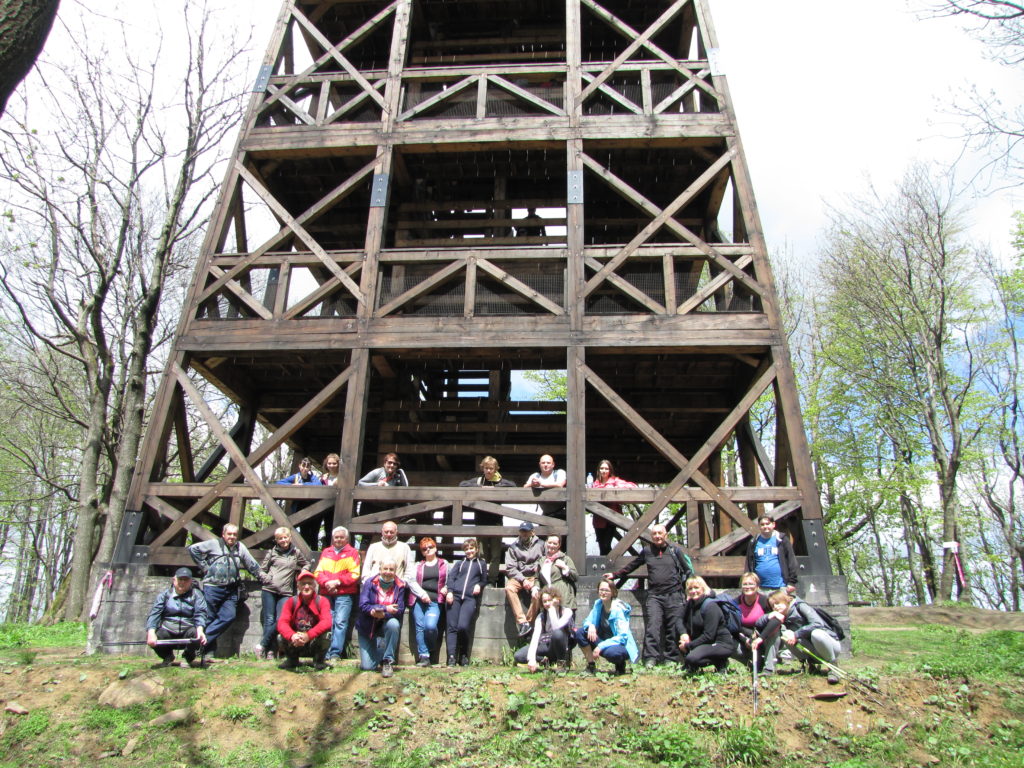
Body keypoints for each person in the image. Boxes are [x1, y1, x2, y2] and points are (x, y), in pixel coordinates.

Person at [605, 523, 693, 667]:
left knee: (673, 628)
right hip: (655, 596)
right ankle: (650, 658)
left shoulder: (675, 551)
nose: (657, 536)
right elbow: (633, 565)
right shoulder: (647, 551)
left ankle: (671, 659)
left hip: (674, 594)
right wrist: (615, 575)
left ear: (666, 535)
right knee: (653, 627)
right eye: (654, 534)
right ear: (651, 536)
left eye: (660, 533)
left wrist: (689, 591)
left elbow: (688, 570)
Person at [188, 523, 266, 656]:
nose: (232, 537)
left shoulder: (240, 547)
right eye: (229, 534)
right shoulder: (214, 544)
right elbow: (193, 549)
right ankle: (208, 652)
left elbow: (251, 564)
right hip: (212, 587)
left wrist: (264, 578)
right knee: (209, 618)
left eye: (234, 534)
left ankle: (199, 643)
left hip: (231, 589)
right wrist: (205, 567)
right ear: (223, 534)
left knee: (228, 616)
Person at [754, 590, 842, 685]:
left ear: (786, 600)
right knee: (786, 634)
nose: (775, 607)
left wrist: (796, 634)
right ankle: (809, 665)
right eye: (772, 605)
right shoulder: (779, 614)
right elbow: (758, 622)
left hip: (830, 647)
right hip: (812, 651)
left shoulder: (800, 606)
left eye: (778, 603)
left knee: (816, 634)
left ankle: (833, 668)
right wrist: (769, 615)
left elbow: (818, 623)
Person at [459, 456, 515, 583]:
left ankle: (492, 580)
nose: (488, 471)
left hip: (496, 522)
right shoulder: (479, 481)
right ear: (482, 469)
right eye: (486, 468)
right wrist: (480, 488)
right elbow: (462, 484)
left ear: (496, 469)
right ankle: (482, 579)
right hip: (480, 522)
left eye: (491, 468)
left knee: (496, 554)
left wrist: (495, 488)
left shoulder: (501, 481)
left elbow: (513, 485)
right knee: (482, 554)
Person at [258, 527, 311, 660]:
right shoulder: (272, 552)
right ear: (276, 540)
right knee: (269, 620)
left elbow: (306, 564)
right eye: (280, 538)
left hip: (286, 592)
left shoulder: (296, 552)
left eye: (285, 537)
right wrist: (266, 578)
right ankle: (270, 651)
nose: (283, 540)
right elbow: (262, 570)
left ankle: (262, 645)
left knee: (280, 620)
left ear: (290, 538)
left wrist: (303, 572)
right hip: (269, 590)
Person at [314, 526, 361, 664]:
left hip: (344, 594)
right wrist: (327, 583)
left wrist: (337, 582)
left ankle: (335, 653)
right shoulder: (326, 552)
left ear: (347, 539)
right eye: (336, 537)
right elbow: (318, 572)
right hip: (326, 593)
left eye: (342, 537)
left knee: (340, 622)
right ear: (332, 538)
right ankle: (325, 652)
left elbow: (354, 574)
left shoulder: (353, 552)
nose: (339, 539)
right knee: (327, 622)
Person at [145, 567, 209, 667]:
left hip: (188, 630)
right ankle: (167, 656)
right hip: (168, 630)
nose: (182, 582)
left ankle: (188, 657)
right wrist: (151, 632)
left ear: (190, 581)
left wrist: (200, 630)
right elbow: (154, 614)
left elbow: (200, 613)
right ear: (174, 580)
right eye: (180, 579)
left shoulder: (197, 595)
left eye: (186, 580)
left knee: (197, 635)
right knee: (155, 635)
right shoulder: (164, 596)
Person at [574, 578, 639, 675]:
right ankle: (591, 666)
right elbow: (587, 621)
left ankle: (620, 665)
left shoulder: (618, 610)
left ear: (613, 593)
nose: (603, 593)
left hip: (619, 645)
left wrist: (600, 646)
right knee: (580, 633)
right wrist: (590, 625)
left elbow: (622, 637)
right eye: (601, 590)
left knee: (612, 654)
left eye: (606, 590)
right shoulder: (598, 604)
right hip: (603, 640)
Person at [356, 557, 407, 678]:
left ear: (395, 571)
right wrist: (384, 608)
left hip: (386, 624)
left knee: (394, 623)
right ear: (380, 569)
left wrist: (383, 614)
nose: (388, 572)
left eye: (391, 569)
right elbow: (363, 605)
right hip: (367, 626)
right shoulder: (369, 583)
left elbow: (399, 610)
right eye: (385, 569)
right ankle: (377, 654)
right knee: (368, 667)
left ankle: (387, 661)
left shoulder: (400, 586)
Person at [677, 576, 736, 674]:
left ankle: (721, 661)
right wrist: (683, 634)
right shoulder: (690, 604)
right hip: (705, 642)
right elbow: (679, 619)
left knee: (692, 658)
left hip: (720, 643)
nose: (693, 591)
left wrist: (688, 646)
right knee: (678, 635)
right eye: (690, 588)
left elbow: (709, 636)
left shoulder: (710, 606)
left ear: (703, 588)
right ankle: (691, 664)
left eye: (696, 587)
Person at [444, 537, 488, 667]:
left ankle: (463, 654)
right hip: (455, 597)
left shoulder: (481, 563)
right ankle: (451, 656)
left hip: (469, 598)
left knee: (463, 627)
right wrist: (450, 591)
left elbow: (484, 580)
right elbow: (451, 577)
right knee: (452, 627)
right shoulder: (460, 563)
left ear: (476, 549)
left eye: (471, 548)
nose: (469, 551)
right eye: (466, 549)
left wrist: (479, 585)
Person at [276, 570, 332, 671]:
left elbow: (327, 622)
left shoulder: (322, 601)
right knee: (280, 637)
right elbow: (282, 623)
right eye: (303, 584)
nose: (306, 587)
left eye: (309, 583)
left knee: (327, 635)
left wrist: (308, 635)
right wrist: (292, 636)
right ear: (298, 586)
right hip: (296, 641)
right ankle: (292, 660)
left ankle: (319, 661)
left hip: (313, 641)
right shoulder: (291, 602)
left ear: (315, 586)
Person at [408, 537, 448, 666]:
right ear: (422, 552)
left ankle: (431, 648)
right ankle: (424, 656)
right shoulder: (418, 565)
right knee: (419, 627)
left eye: (430, 547)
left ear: (435, 548)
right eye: (424, 549)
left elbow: (450, 580)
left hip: (435, 601)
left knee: (430, 627)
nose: (428, 550)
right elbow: (411, 581)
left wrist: (447, 588)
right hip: (419, 600)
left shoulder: (444, 563)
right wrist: (422, 594)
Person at [516, 586, 574, 672]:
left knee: (557, 634)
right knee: (519, 656)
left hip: (561, 645)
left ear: (556, 599)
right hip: (546, 645)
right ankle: (544, 660)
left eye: (549, 600)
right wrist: (531, 659)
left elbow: (556, 627)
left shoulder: (567, 612)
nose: (547, 604)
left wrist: (552, 609)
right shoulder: (541, 616)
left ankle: (561, 664)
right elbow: (535, 638)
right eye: (544, 601)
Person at [590, 459, 637, 556]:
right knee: (601, 546)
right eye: (602, 468)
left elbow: (633, 486)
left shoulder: (615, 481)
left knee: (606, 545)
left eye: (606, 469)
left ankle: (609, 563)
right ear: (598, 470)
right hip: (598, 519)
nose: (604, 471)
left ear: (610, 470)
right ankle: (604, 564)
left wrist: (615, 488)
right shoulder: (595, 484)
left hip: (611, 518)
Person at [505, 521, 545, 637]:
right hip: (519, 577)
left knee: (537, 593)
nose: (524, 534)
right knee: (509, 588)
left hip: (535, 577)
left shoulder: (542, 544)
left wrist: (537, 575)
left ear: (532, 532)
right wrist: (523, 580)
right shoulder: (513, 547)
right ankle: (522, 622)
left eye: (527, 531)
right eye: (522, 531)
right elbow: (510, 568)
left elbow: (546, 561)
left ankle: (529, 622)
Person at [744, 515, 798, 595]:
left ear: (773, 524)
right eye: (762, 524)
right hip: (760, 588)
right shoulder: (753, 541)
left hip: (782, 587)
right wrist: (748, 582)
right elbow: (749, 564)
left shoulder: (782, 539)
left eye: (767, 524)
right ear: (759, 526)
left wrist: (792, 582)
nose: (765, 526)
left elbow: (791, 561)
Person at [276, 457, 322, 549]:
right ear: (299, 466)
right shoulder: (296, 477)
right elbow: (279, 483)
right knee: (304, 532)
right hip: (300, 508)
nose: (305, 468)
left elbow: (318, 485)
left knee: (314, 533)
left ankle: (314, 552)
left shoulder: (312, 478)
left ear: (310, 468)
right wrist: (292, 485)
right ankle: (304, 552)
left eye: (307, 466)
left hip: (314, 508)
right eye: (303, 466)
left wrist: (303, 485)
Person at [732, 572, 774, 672]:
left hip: (763, 637)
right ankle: (749, 662)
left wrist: (760, 638)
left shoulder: (764, 601)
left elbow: (773, 622)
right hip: (744, 637)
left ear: (757, 586)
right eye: (745, 584)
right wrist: (745, 639)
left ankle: (768, 663)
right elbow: (733, 626)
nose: (748, 587)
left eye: (751, 584)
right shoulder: (735, 603)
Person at [532, 535, 578, 618]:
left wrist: (565, 567)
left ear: (559, 545)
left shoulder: (565, 559)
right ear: (546, 543)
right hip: (548, 597)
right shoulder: (542, 560)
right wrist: (535, 587)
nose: (551, 545)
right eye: (549, 542)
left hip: (563, 596)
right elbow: (538, 578)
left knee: (564, 624)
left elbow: (575, 577)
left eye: (555, 543)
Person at [523, 454, 567, 518]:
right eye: (543, 463)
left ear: (553, 464)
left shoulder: (560, 472)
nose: (545, 465)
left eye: (548, 463)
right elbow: (525, 487)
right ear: (539, 464)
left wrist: (541, 484)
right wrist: (532, 484)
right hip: (545, 514)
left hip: (561, 513)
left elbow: (559, 485)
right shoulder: (535, 475)